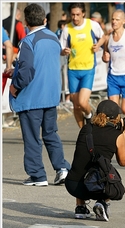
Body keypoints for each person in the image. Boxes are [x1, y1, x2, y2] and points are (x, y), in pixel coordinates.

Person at [8, 3, 70, 186]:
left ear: (25, 21)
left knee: (32, 137)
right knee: (51, 134)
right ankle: (62, 168)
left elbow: (27, 71)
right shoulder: (53, 37)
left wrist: (15, 87)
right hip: (50, 95)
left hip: (32, 96)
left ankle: (37, 175)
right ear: (44, 19)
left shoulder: (27, 41)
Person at [65, 99, 125, 220]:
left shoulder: (86, 129)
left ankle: (80, 207)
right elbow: (124, 162)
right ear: (116, 118)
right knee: (112, 179)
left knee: (83, 163)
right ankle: (102, 202)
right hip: (96, 188)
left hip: (73, 185)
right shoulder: (117, 135)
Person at [60, 3, 107, 128]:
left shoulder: (92, 25)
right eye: (73, 15)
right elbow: (61, 49)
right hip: (73, 70)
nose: (75, 17)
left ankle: (89, 115)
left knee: (82, 102)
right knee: (76, 105)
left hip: (88, 69)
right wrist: (64, 51)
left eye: (78, 15)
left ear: (83, 14)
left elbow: (104, 37)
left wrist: (98, 45)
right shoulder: (67, 29)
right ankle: (84, 131)